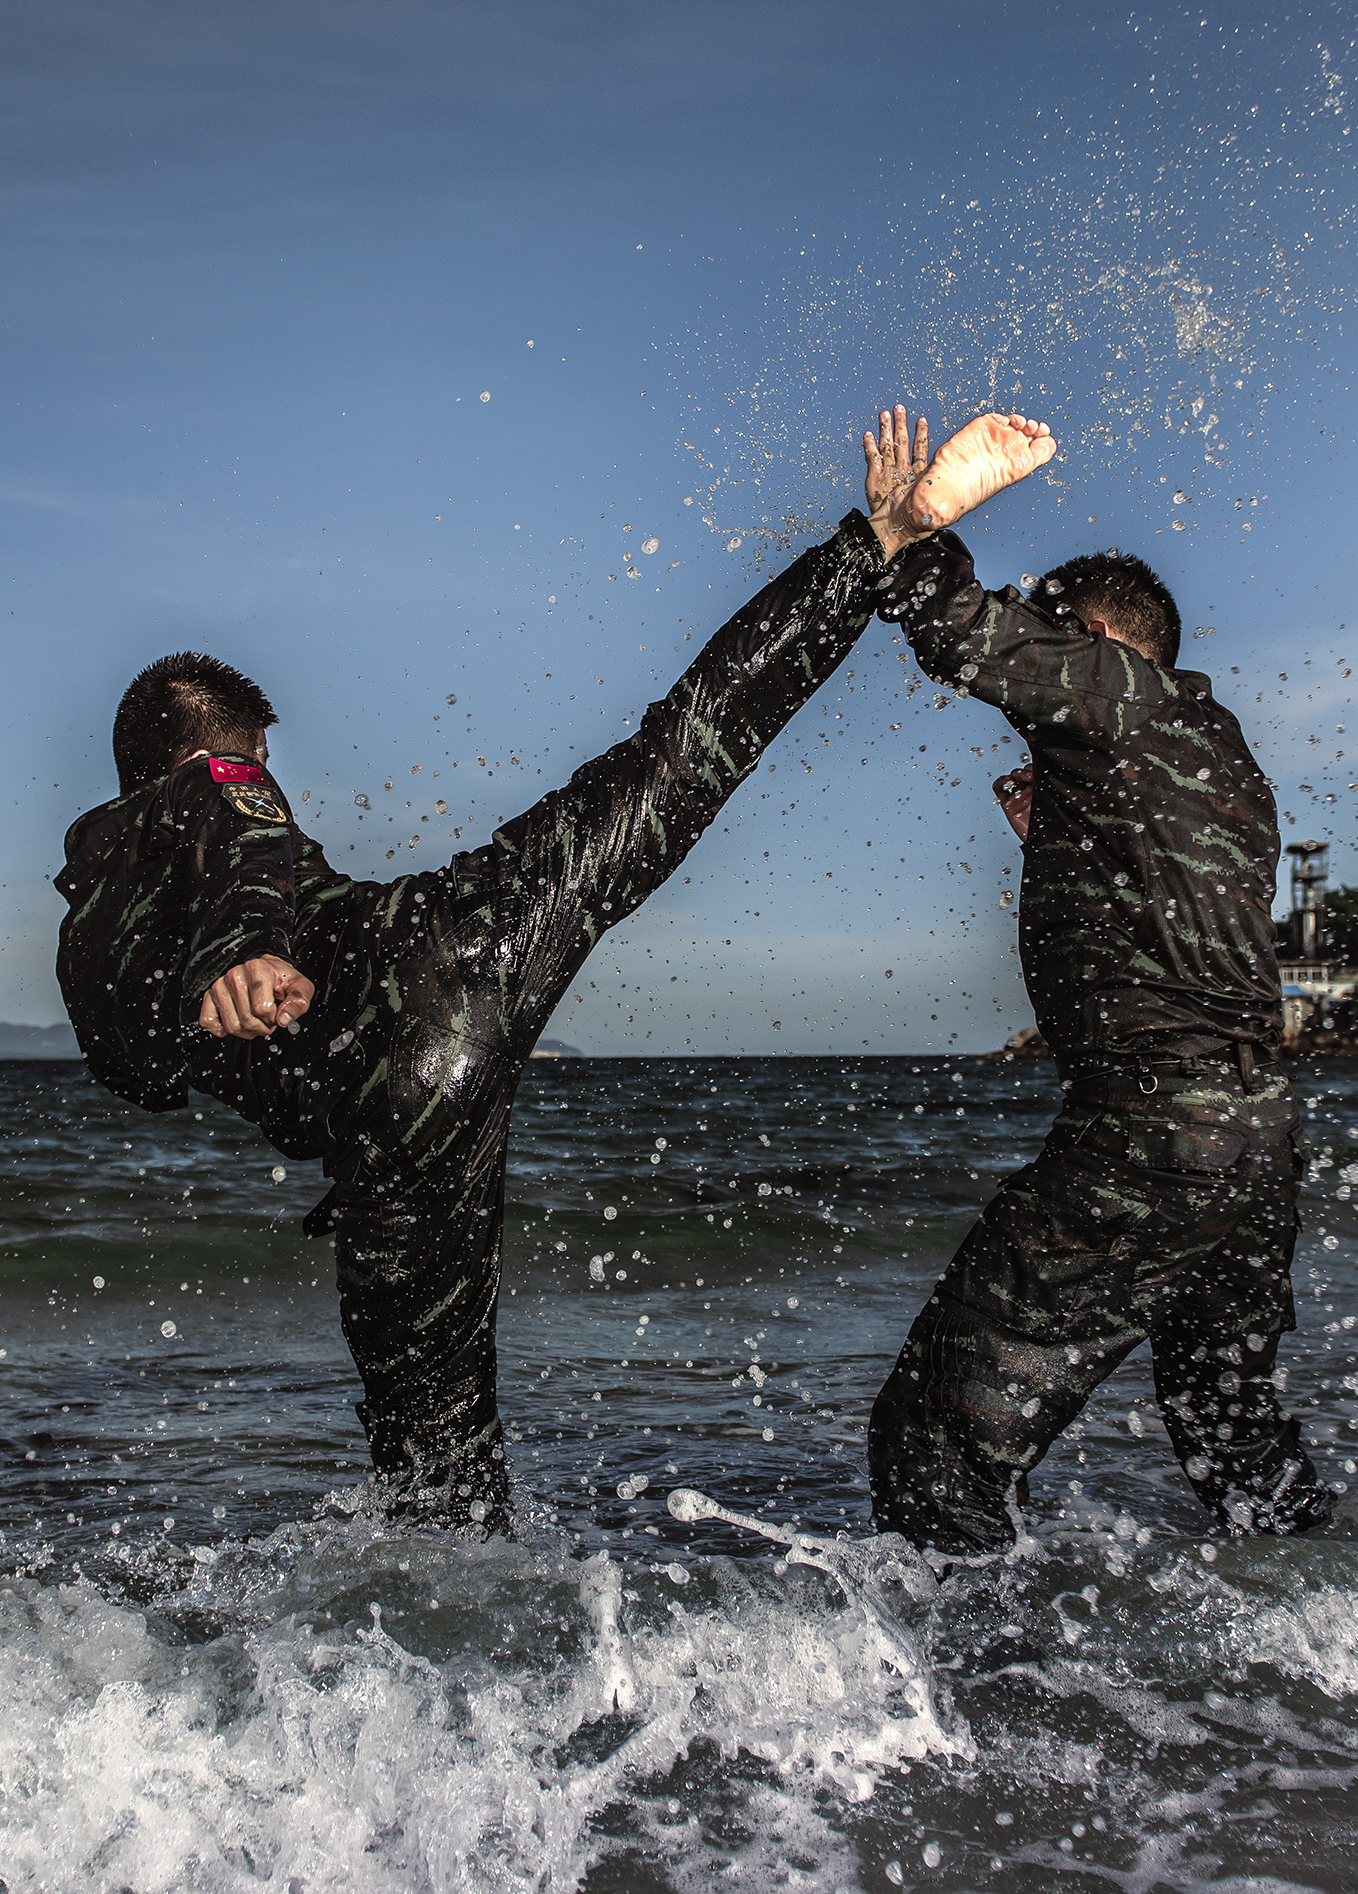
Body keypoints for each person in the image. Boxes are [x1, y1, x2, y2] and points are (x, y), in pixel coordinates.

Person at [53, 412, 933, 1531]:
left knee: (440, 1487)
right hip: (449, 947)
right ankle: (874, 551)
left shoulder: (97, 911)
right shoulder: (213, 782)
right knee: (674, 755)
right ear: (200, 757)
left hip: (393, 1089)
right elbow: (246, 827)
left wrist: (225, 969)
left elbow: (151, 1036)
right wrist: (237, 953)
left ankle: (475, 1677)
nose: (262, 782)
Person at [858, 408, 1333, 1554]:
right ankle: (1342, 1656)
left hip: (1154, 1126)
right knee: (1230, 1426)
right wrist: (1065, 837)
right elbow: (1176, 920)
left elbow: (967, 635)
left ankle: (967, 1710)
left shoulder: (1117, 692)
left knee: (932, 1433)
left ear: (1103, 637)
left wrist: (908, 530)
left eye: (1057, 626)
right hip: (1257, 1137)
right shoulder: (1222, 754)